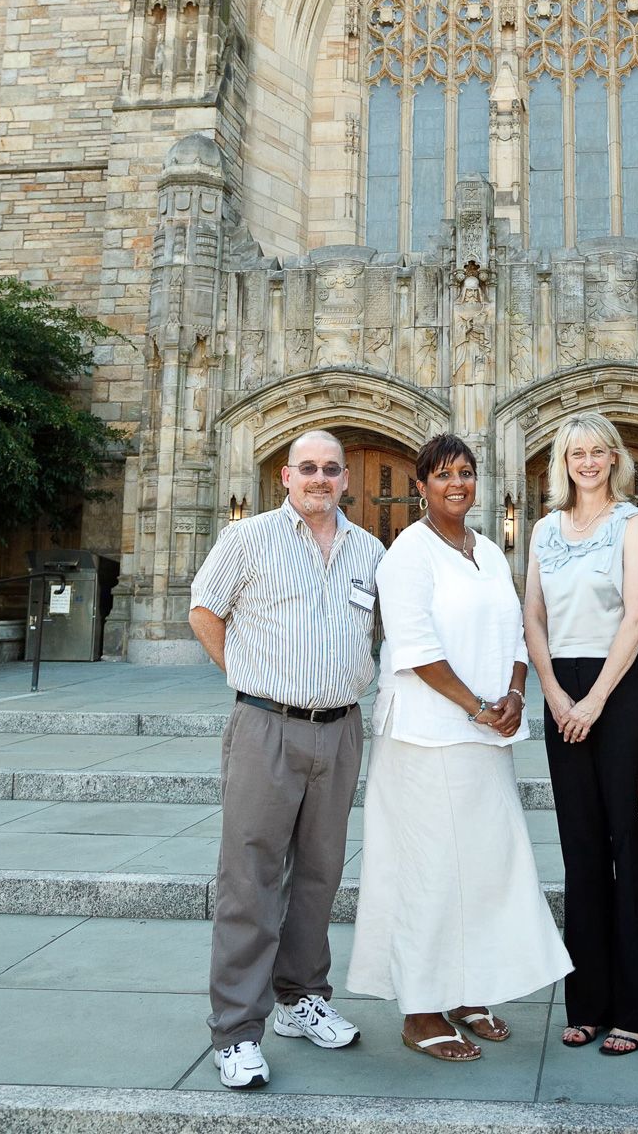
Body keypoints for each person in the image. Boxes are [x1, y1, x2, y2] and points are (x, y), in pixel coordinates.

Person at [348, 432, 571, 1062]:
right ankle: (420, 1007)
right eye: (443, 474)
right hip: (426, 736)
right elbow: (415, 649)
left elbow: (516, 634)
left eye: (466, 473)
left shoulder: (489, 554)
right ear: (419, 487)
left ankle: (467, 989)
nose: (457, 483)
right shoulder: (408, 554)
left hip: (485, 739)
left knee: (482, 865)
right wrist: (477, 706)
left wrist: (515, 694)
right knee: (426, 869)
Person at [188, 430, 383, 1090]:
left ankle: (301, 1001)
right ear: (285, 476)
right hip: (266, 726)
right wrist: (245, 676)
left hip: (340, 729)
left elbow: (379, 630)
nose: (320, 478)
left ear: (346, 479)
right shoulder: (248, 540)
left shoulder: (370, 550)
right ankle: (237, 1030)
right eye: (308, 468)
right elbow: (204, 611)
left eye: (331, 469)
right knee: (250, 876)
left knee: (321, 874)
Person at [523, 412, 638, 1057]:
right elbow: (531, 612)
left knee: (629, 843)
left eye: (597, 452)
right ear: (562, 461)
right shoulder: (542, 528)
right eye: (575, 453)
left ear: (615, 459)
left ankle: (637, 1008)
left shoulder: (630, 523)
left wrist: (594, 699)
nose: (586, 462)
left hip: (620, 687)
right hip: (563, 687)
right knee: (580, 847)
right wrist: (557, 694)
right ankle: (587, 1000)